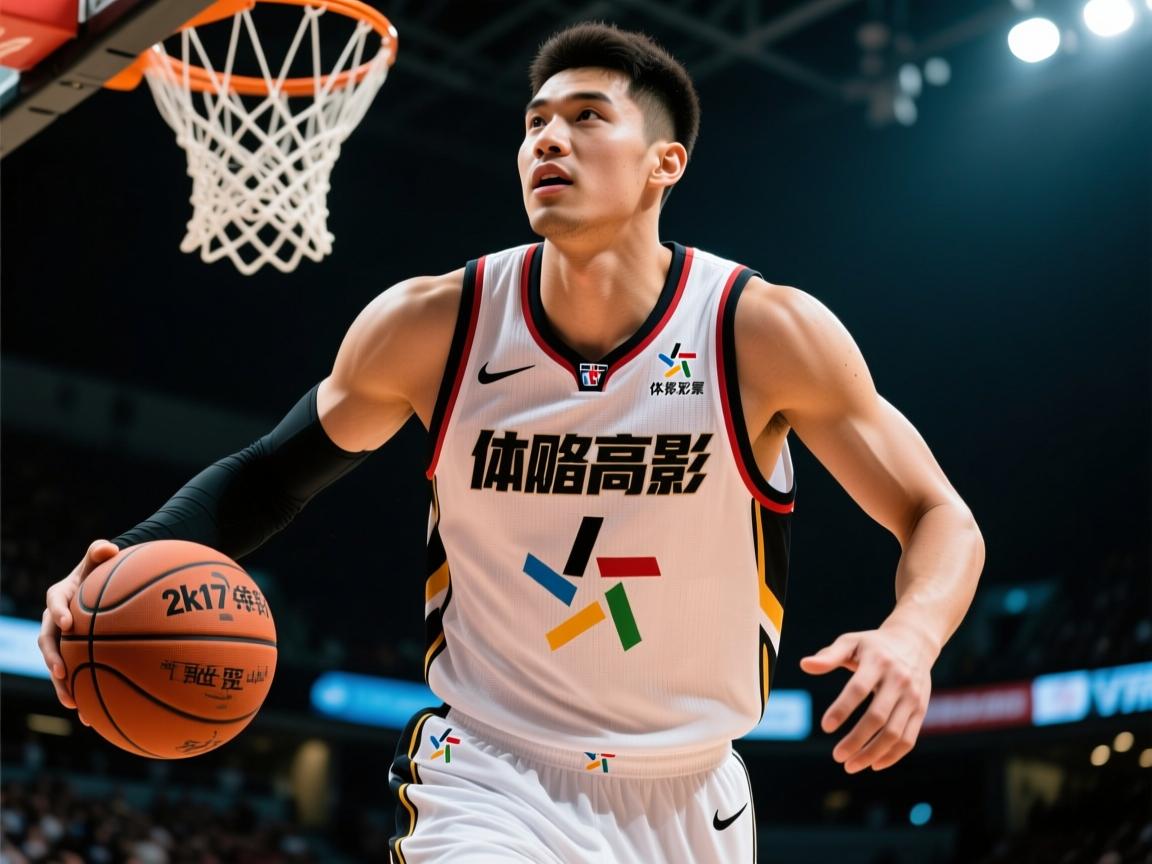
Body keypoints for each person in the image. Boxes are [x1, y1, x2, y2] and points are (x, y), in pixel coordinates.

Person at [38, 22, 985, 864]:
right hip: (491, 773)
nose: (547, 139)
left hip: (692, 794)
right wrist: (119, 562)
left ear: (665, 163)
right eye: (535, 122)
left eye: (587, 117)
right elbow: (269, 478)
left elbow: (937, 515)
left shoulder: (758, 332)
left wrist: (912, 637)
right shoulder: (433, 325)